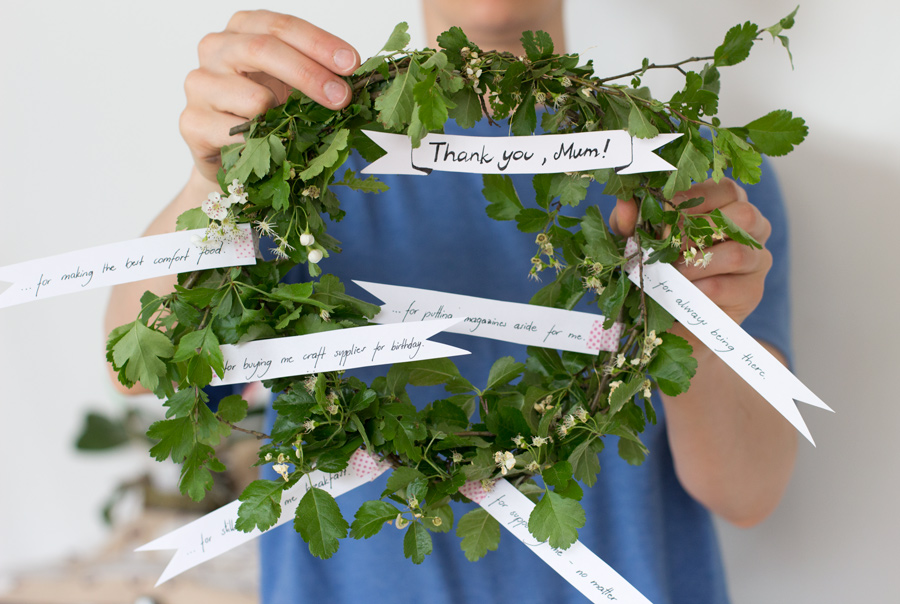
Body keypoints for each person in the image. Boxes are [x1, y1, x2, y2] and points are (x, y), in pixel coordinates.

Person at [105, 2, 798, 602]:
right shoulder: (299, 154)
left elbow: (747, 492)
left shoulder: (692, 171)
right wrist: (212, 189)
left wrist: (695, 326)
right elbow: (137, 366)